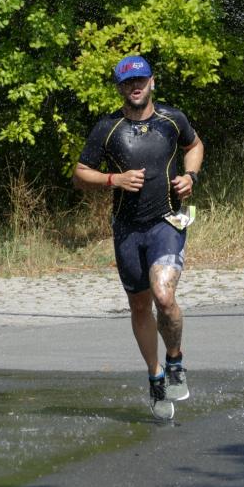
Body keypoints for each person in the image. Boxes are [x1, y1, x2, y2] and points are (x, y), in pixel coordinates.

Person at [72, 55, 204, 420]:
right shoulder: (107, 129)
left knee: (164, 295)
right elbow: (80, 174)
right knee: (140, 306)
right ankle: (155, 376)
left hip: (168, 221)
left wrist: (191, 177)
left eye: (141, 80)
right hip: (127, 229)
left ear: (152, 82)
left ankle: (175, 362)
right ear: (120, 88)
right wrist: (113, 179)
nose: (135, 87)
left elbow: (195, 146)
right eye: (128, 82)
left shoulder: (172, 119)